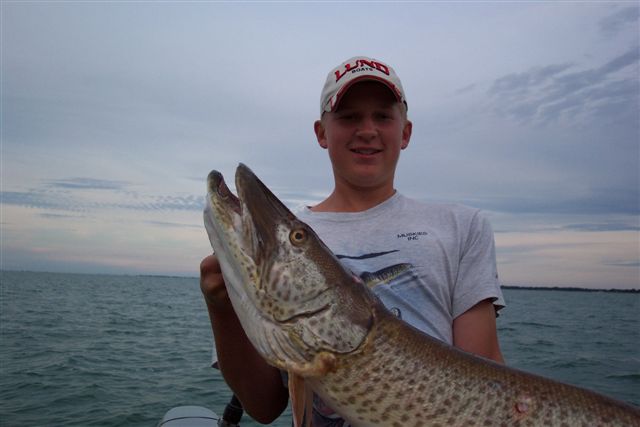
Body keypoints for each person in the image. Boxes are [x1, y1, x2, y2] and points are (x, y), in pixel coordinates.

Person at [200, 56, 505, 425]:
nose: (367, 130)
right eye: (348, 117)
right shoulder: (279, 260)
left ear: (405, 132)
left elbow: (485, 384)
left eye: (383, 116)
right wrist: (220, 307)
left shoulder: (462, 227)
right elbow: (263, 406)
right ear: (321, 133)